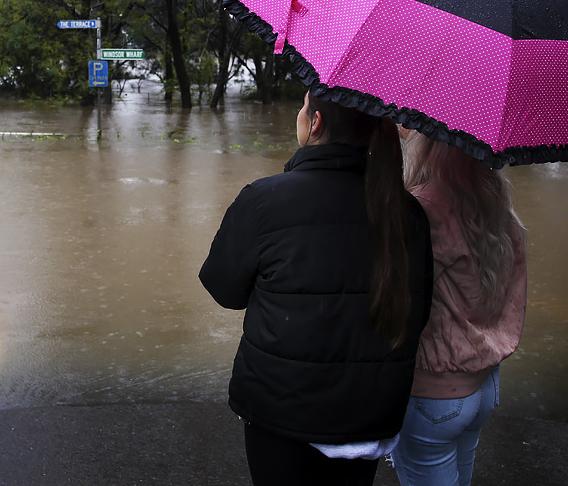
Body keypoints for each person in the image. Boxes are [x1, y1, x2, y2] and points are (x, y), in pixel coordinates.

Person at [200, 91, 434, 486]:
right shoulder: (407, 212)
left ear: (316, 123)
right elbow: (418, 313)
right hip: (368, 417)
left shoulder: (264, 199)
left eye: (304, 104)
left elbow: (223, 289)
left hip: (280, 413)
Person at [390, 132, 527, 486]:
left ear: (429, 147)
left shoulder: (421, 209)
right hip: (484, 382)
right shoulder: (497, 207)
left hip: (433, 393)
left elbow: (391, 300)